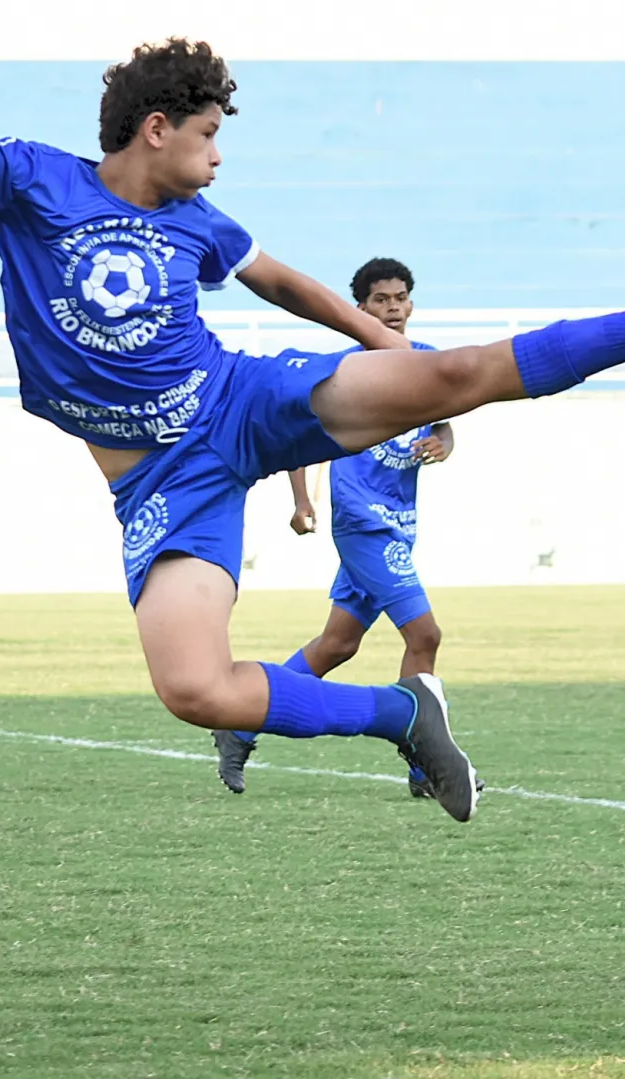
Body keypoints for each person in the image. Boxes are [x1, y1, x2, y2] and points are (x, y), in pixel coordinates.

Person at [0, 18, 625, 824]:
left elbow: (281, 283)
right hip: (163, 481)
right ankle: (402, 714)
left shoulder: (198, 222)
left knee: (453, 374)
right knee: (195, 689)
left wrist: (384, 341)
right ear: (156, 129)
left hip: (240, 400)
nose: (218, 155)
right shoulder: (35, 180)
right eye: (208, 135)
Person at [215, 258, 455, 797]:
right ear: (360, 309)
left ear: (411, 303)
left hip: (399, 526)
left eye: (400, 298)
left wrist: (443, 443)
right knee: (425, 635)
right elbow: (302, 437)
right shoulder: (348, 371)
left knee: (337, 644)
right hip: (363, 525)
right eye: (380, 300)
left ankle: (239, 723)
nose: (392, 308)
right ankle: (426, 769)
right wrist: (302, 501)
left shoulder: (428, 363)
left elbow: (444, 424)